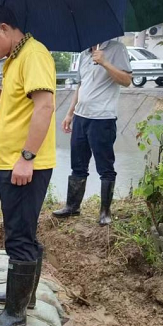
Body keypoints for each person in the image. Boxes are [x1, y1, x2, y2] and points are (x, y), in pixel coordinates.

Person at [0, 5, 56, 326]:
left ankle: (15, 312)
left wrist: (27, 157)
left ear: (3, 28)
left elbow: (45, 106)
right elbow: (14, 105)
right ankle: (24, 296)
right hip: (15, 162)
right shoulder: (15, 60)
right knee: (23, 231)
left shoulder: (34, 54)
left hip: (24, 164)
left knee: (18, 236)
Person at [53, 40, 132, 225]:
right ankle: (72, 207)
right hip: (81, 116)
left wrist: (105, 62)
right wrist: (70, 113)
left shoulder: (116, 49)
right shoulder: (84, 54)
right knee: (78, 165)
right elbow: (81, 86)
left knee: (105, 167)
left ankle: (105, 212)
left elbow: (127, 81)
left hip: (102, 118)